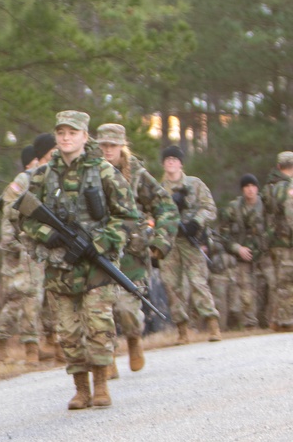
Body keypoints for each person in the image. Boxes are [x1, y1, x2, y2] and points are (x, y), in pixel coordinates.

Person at [19, 111, 138, 410]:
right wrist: (49, 235)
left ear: (85, 137)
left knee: (98, 326)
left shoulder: (104, 172)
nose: (66, 137)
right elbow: (25, 218)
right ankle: (80, 388)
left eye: (72, 132)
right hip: (60, 265)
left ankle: (100, 384)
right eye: (61, 132)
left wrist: (100, 243)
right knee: (68, 332)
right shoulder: (43, 176)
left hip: (96, 265)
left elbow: (127, 217)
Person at [95, 123, 178, 372]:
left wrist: (160, 242)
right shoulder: (90, 172)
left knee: (127, 310)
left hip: (131, 254)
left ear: (122, 146)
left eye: (112, 145)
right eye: (103, 145)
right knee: (100, 310)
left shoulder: (138, 175)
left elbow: (165, 206)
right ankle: (106, 359)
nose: (107, 150)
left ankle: (133, 339)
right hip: (100, 250)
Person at [0, 140, 51, 364]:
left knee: (38, 296)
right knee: (21, 297)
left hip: (36, 246)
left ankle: (45, 342)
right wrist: (13, 243)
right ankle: (8, 344)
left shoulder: (49, 177)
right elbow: (9, 211)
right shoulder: (25, 180)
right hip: (20, 247)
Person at [159, 145, 222, 343]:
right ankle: (182, 330)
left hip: (190, 240)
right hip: (169, 242)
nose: (171, 162)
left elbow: (210, 207)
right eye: (167, 159)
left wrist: (196, 223)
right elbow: (150, 213)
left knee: (198, 282)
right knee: (172, 286)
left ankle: (212, 324)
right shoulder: (157, 188)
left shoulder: (195, 184)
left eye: (174, 159)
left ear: (181, 163)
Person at [219, 174, 268, 330]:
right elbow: (223, 235)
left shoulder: (266, 206)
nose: (250, 189)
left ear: (257, 188)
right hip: (243, 257)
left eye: (253, 186)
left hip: (265, 255)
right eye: (246, 186)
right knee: (246, 293)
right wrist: (237, 248)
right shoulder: (233, 209)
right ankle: (250, 326)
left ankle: (268, 323)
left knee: (268, 288)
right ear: (242, 190)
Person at [261, 151, 293, 331]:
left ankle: (275, 319)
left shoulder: (269, 187)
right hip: (286, 240)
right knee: (287, 280)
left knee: (278, 281)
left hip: (272, 239)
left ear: (279, 167)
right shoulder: (288, 187)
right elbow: (290, 213)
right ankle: (286, 320)